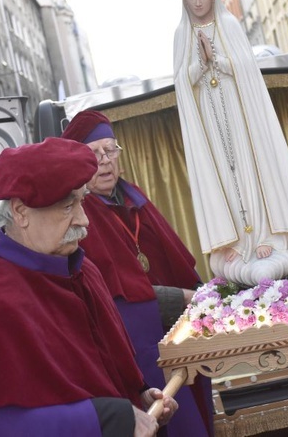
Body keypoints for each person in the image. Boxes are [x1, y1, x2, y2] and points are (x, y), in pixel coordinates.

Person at [0, 137, 177, 436]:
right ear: (21, 212)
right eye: (67, 207)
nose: (84, 220)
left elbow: (106, 375)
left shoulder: (84, 270)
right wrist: (110, 418)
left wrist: (139, 401)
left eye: (82, 201)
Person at [172, 0, 288, 286]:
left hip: (241, 115)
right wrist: (198, 65)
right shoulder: (181, 34)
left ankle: (267, 235)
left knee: (252, 167)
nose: (197, 3)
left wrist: (216, 60)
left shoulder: (231, 26)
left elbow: (246, 71)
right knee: (224, 172)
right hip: (208, 118)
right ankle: (237, 240)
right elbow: (182, 82)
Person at [60, 110, 213, 437]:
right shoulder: (81, 216)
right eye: (94, 153)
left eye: (110, 150)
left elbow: (178, 264)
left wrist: (202, 293)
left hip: (179, 335)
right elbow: (116, 299)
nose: (104, 161)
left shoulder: (134, 198)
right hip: (139, 349)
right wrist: (188, 298)